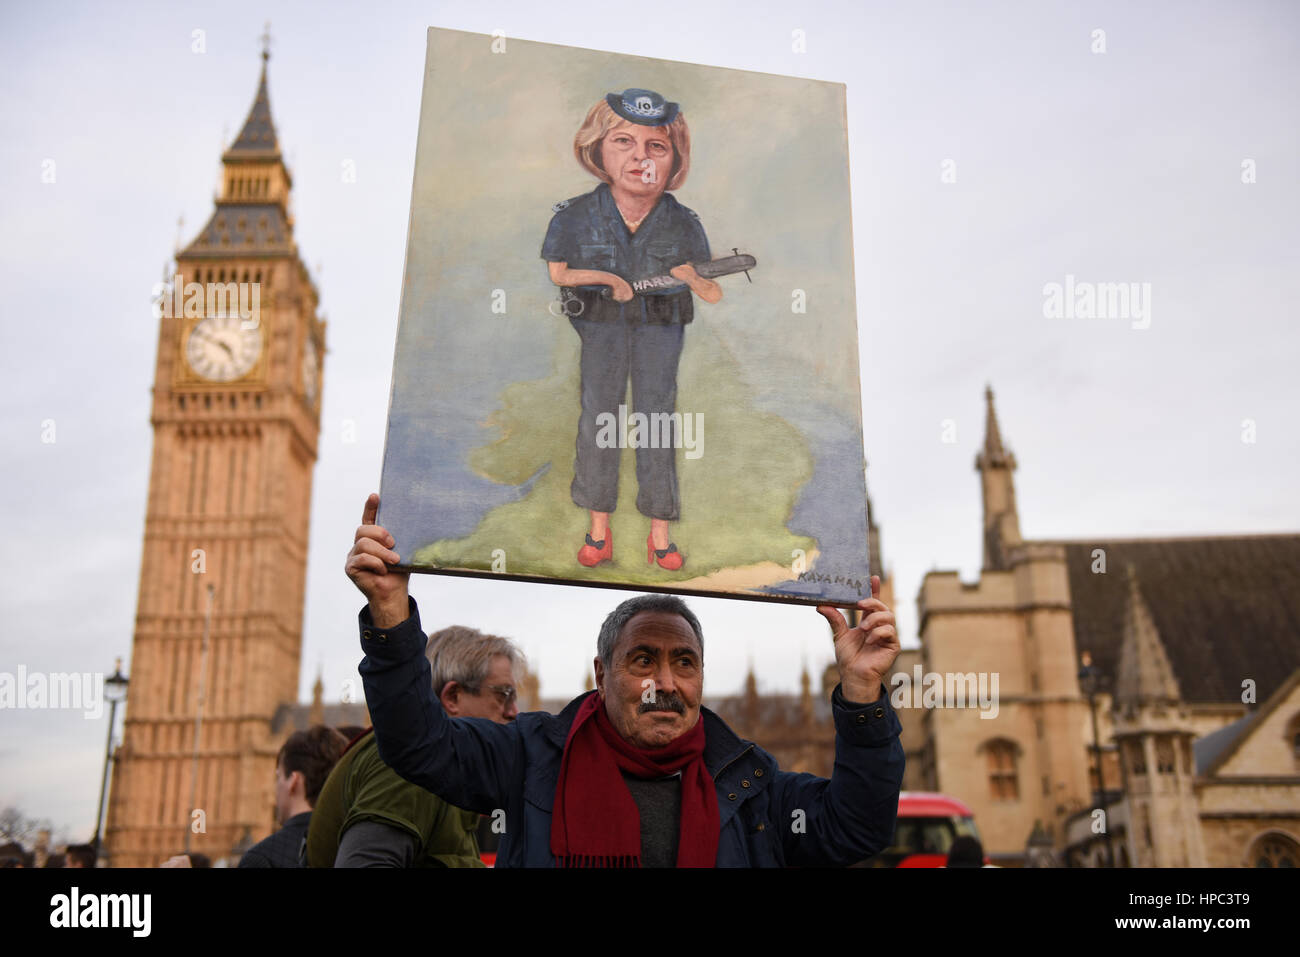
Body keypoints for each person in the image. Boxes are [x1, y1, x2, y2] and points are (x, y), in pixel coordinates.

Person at [346, 493, 904, 867]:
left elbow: (858, 827)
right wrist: (392, 618)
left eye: (684, 663)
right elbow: (418, 745)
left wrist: (861, 694)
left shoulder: (751, 785)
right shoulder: (530, 757)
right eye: (643, 660)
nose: (665, 681)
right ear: (601, 674)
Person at [542, 88, 722, 572]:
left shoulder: (683, 222)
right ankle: (598, 533)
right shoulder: (574, 216)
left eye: (656, 147)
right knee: (599, 417)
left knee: (655, 419)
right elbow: (559, 273)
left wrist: (693, 279)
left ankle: (659, 535)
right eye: (623, 141)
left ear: (675, 159)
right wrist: (608, 280)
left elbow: (711, 290)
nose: (639, 158)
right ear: (598, 148)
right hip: (600, 326)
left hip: (661, 329)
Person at [305, 625, 523, 868]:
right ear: (453, 697)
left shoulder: (450, 774)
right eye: (504, 695)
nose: (514, 712)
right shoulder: (405, 764)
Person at [238, 725, 346, 868]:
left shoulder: (261, 859)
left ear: (293, 781)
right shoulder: (353, 847)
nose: (275, 787)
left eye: (278, 777)